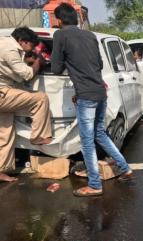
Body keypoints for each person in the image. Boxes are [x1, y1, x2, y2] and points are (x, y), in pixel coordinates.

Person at [51, 3, 133, 197]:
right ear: (77, 19)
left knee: (87, 141)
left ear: (60, 21)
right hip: (99, 92)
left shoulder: (60, 35)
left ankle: (95, 184)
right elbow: (99, 63)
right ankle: (125, 168)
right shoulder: (90, 36)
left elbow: (55, 68)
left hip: (86, 96)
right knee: (100, 134)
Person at [0, 27, 52, 183]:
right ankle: (39, 136)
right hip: (2, 92)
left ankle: (1, 171)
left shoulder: (4, 43)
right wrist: (38, 62)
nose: (32, 50)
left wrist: (27, 60)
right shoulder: (9, 48)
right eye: (31, 46)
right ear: (23, 41)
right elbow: (27, 75)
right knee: (40, 98)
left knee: (5, 133)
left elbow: (11, 67)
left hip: (4, 91)